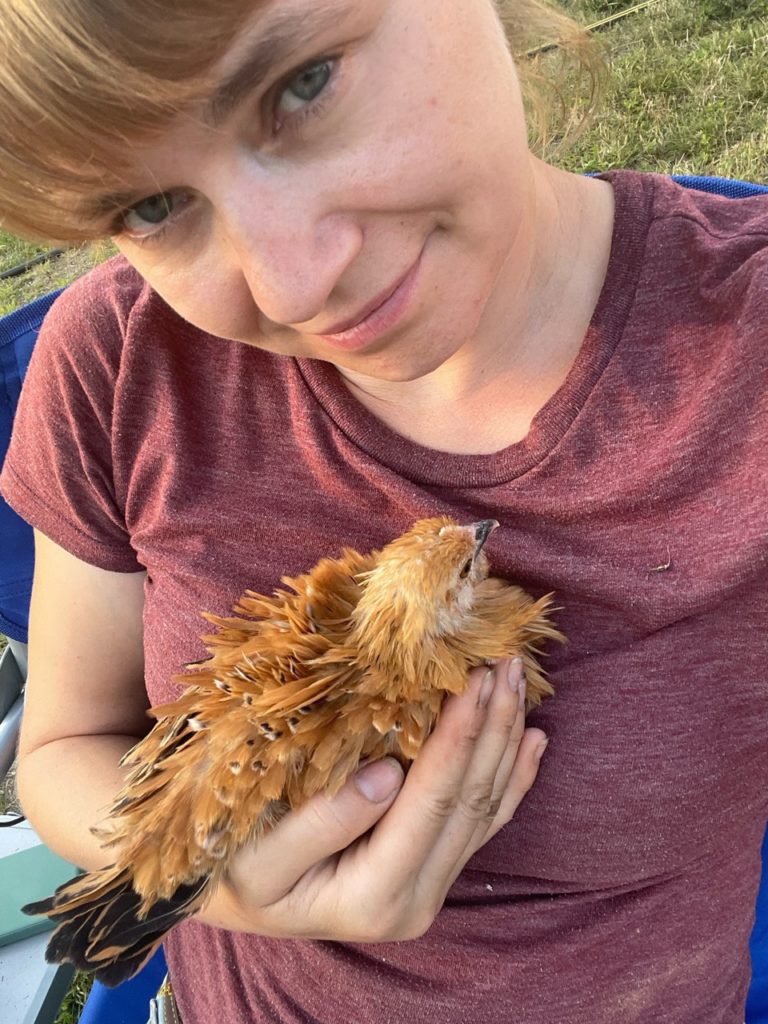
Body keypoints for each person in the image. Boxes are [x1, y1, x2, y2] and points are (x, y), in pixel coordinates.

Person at [0, 1, 766, 1021]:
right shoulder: (117, 367)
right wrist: (224, 878)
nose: (295, 279)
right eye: (148, 206)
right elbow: (60, 747)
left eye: (304, 84)